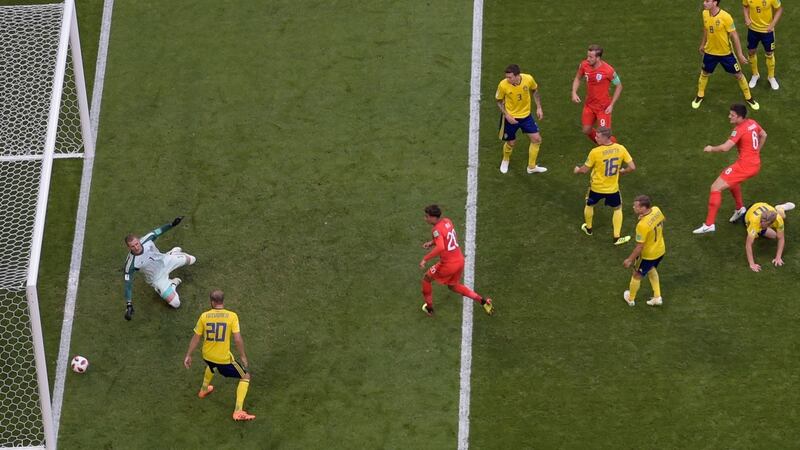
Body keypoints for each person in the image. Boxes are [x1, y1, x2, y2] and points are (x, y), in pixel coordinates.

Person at [693, 104, 767, 234]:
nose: (729, 117)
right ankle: (740, 209)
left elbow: (725, 148)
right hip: (754, 164)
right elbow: (764, 135)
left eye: (732, 115)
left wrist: (711, 148)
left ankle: (709, 224)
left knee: (715, 187)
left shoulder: (739, 129)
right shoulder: (752, 123)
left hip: (745, 166)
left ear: (740, 117)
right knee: (732, 181)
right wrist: (756, 152)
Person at [184, 290, 255, 421]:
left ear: (212, 302)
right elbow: (238, 339)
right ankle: (238, 411)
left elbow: (196, 338)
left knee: (211, 366)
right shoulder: (232, 316)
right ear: (223, 301)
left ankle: (204, 389)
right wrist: (243, 356)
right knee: (245, 376)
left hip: (206, 355)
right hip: (223, 360)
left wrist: (189, 355)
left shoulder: (204, 316)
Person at [419, 205, 494, 316]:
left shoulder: (436, 230)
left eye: (427, 217)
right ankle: (483, 301)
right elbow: (447, 238)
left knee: (426, 279)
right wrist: (431, 243)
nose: (425, 219)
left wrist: (425, 259)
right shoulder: (447, 221)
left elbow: (441, 247)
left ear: (433, 217)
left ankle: (429, 309)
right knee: (453, 286)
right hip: (459, 261)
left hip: (448, 265)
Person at [123, 216, 196, 320]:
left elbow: (160, 231)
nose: (136, 247)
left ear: (139, 240)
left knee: (192, 259)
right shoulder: (130, 264)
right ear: (128, 247)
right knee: (176, 303)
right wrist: (129, 304)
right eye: (132, 246)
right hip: (157, 278)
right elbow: (128, 284)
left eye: (136, 243)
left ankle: (172, 253)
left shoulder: (147, 238)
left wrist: (172, 224)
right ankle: (172, 284)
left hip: (166, 261)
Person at [692, 0, 759, 110]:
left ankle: (749, 98)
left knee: (738, 75)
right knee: (704, 73)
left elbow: (735, 36)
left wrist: (740, 54)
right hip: (710, 52)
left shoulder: (726, 17)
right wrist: (702, 44)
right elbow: (706, 29)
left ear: (715, 3)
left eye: (707, 1)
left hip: (726, 54)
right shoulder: (704, 13)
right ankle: (700, 95)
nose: (704, 3)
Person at [573, 127, 636, 245]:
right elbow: (632, 167)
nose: (595, 138)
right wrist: (623, 171)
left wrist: (577, 170)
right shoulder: (620, 148)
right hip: (612, 189)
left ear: (605, 138)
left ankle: (589, 228)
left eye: (597, 136)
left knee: (589, 204)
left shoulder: (595, 152)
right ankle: (616, 237)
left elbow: (585, 170)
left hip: (596, 188)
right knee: (617, 208)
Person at [495, 64, 547, 174]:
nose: (507, 79)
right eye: (506, 77)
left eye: (510, 77)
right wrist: (507, 115)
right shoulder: (503, 85)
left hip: (526, 116)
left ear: (517, 75)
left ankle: (531, 167)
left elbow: (535, 90)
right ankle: (505, 159)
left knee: (537, 139)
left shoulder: (528, 79)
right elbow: (499, 101)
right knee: (511, 142)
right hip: (511, 118)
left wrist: (539, 107)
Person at [571, 44, 622, 144]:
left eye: (591, 57)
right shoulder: (584, 65)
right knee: (586, 130)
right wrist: (574, 92)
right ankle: (603, 145)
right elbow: (577, 78)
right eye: (587, 56)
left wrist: (612, 105)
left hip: (603, 108)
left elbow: (619, 86)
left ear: (598, 58)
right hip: (589, 105)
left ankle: (615, 149)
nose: (588, 59)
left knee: (605, 135)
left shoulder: (608, 70)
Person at [623, 195, 666, 307]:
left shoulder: (642, 225)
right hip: (660, 250)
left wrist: (629, 259)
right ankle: (657, 297)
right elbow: (662, 220)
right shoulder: (656, 210)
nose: (633, 207)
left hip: (648, 255)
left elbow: (639, 247)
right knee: (651, 268)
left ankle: (630, 299)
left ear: (643, 208)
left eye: (636, 206)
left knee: (637, 275)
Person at [743, 201, 795, 272]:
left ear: (771, 224)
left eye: (763, 224)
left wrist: (778, 257)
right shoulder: (755, 222)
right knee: (755, 235)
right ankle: (778, 209)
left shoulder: (778, 220)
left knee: (775, 233)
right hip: (749, 211)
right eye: (761, 222)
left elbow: (781, 238)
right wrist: (752, 264)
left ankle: (780, 208)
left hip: (766, 207)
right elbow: (748, 244)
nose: (761, 224)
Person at [743, 0, 783, 90]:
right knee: (751, 52)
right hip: (752, 30)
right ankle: (755, 74)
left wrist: (772, 24)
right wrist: (746, 17)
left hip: (767, 31)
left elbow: (779, 9)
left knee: (769, 53)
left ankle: (771, 77)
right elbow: (745, 6)